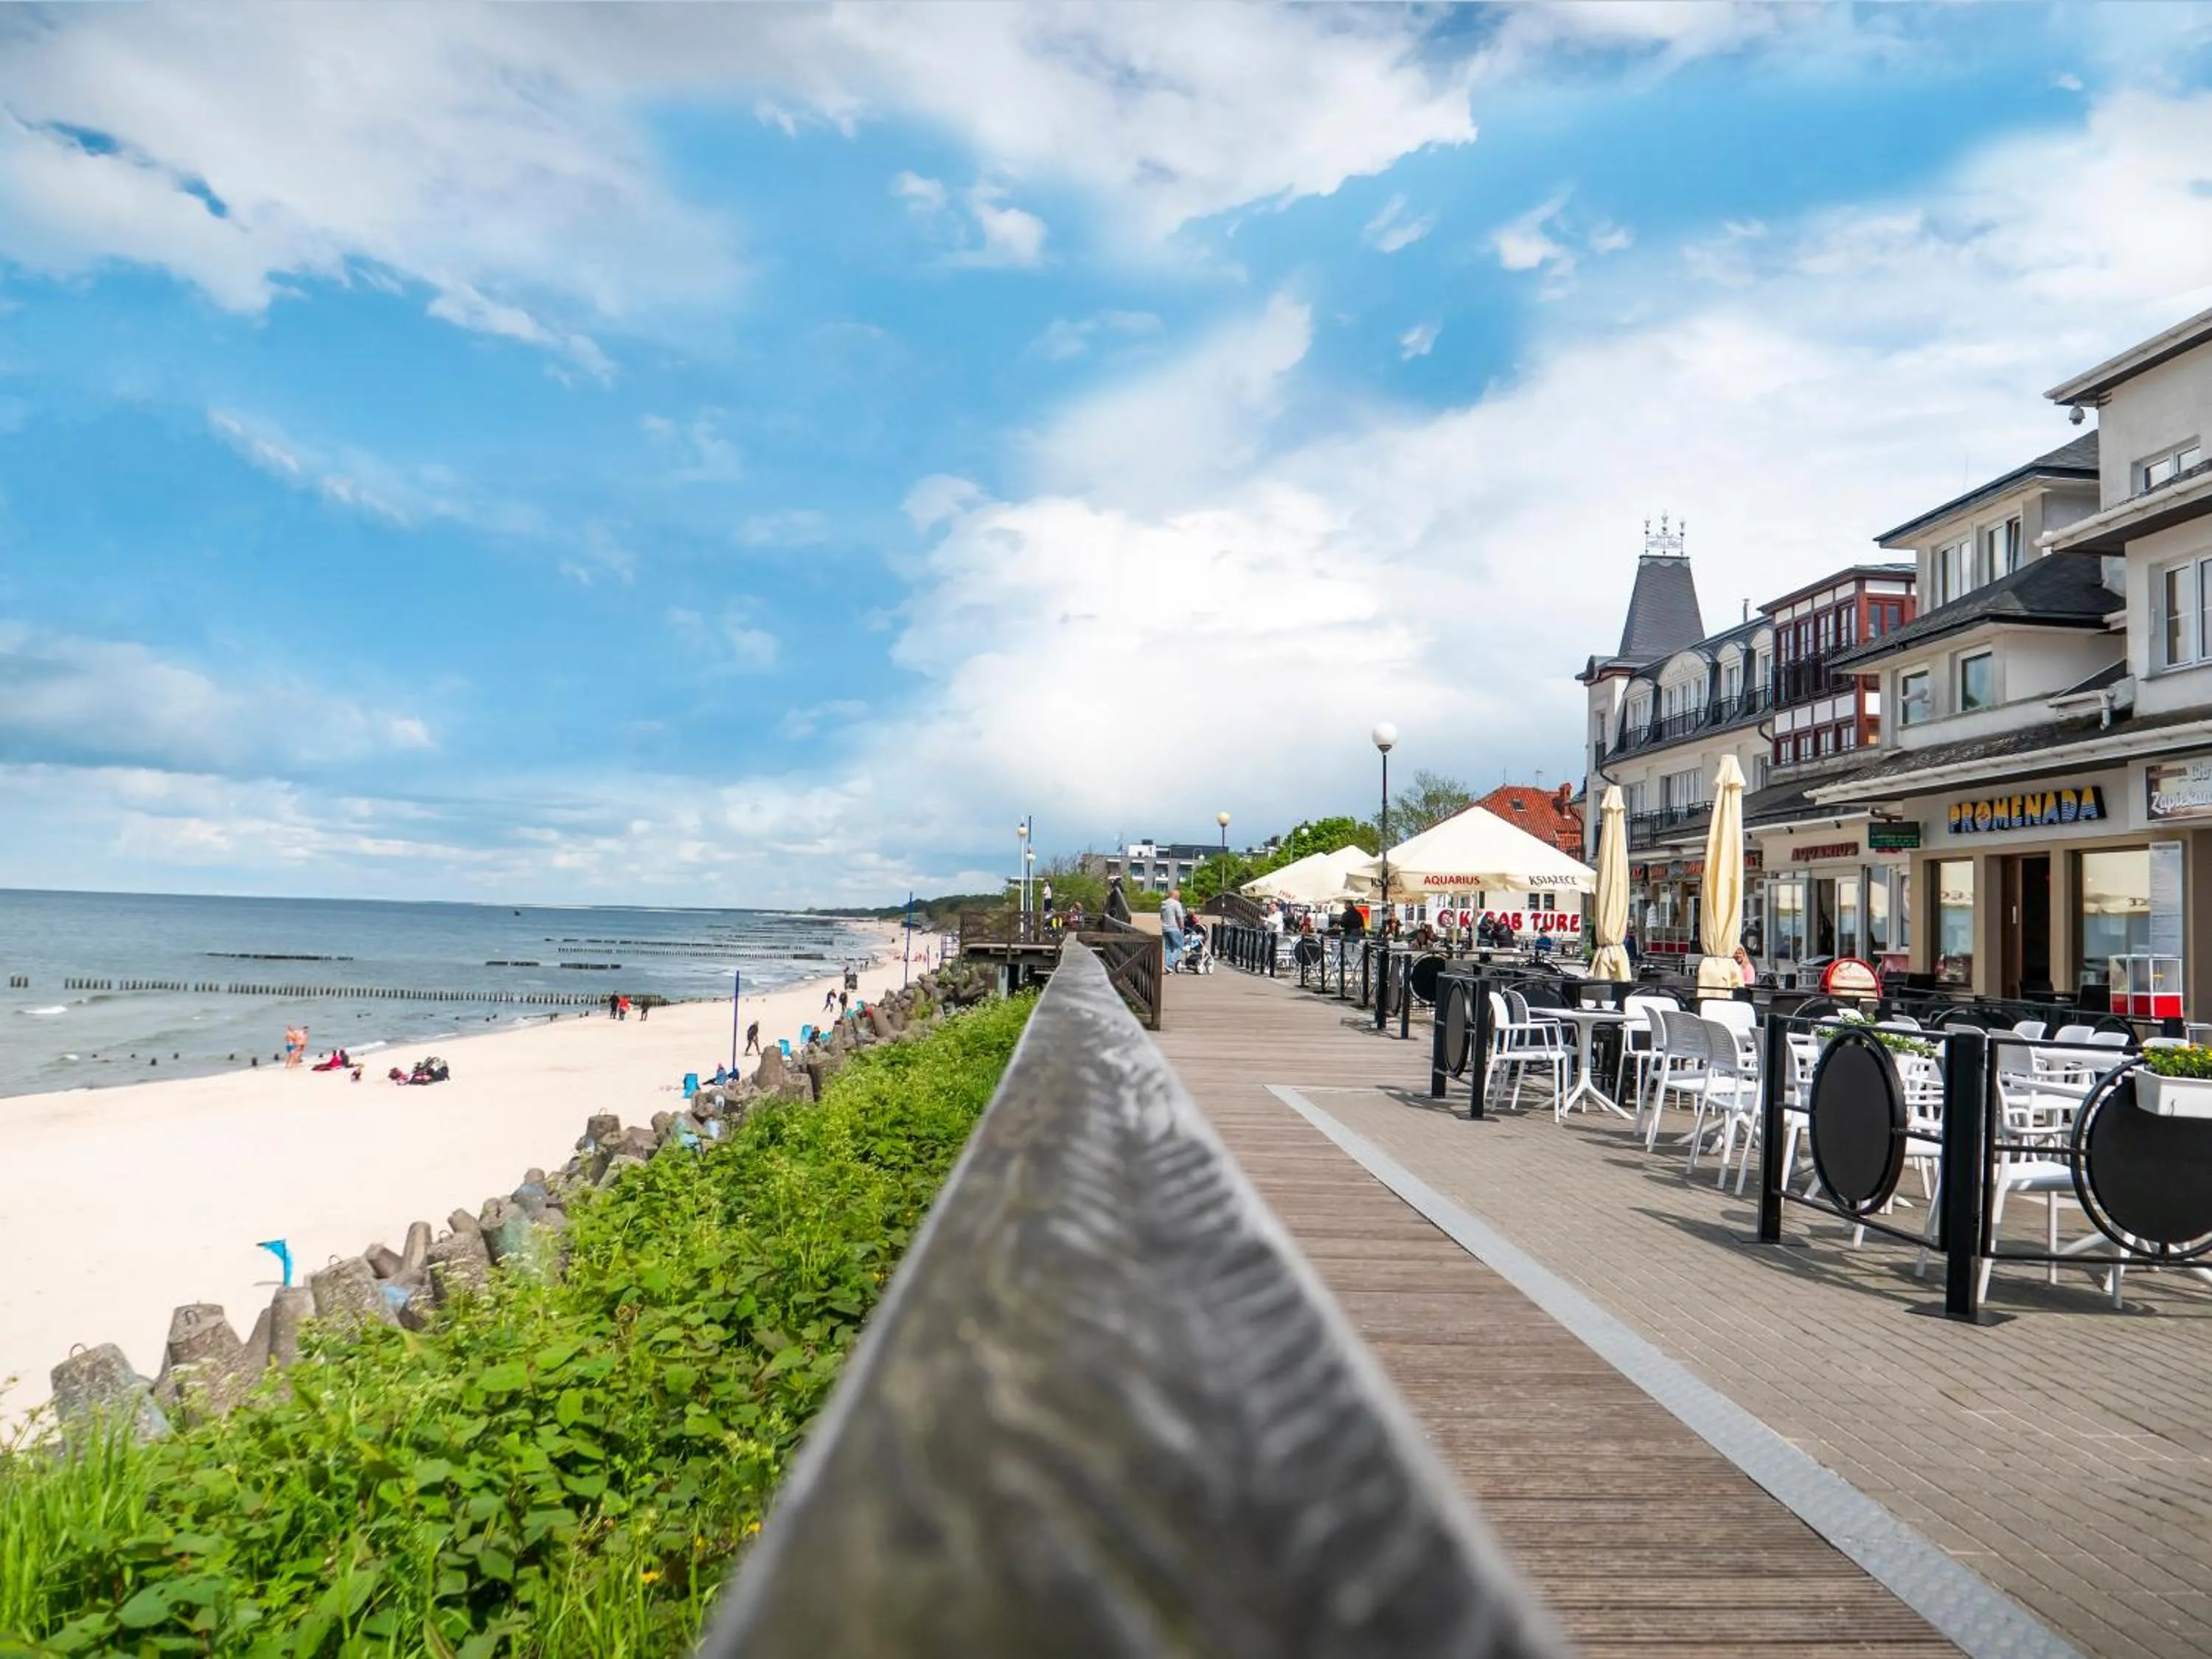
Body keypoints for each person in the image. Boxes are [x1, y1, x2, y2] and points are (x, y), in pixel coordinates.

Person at [1160, 886, 1187, 973]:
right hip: (1174, 928)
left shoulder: (1164, 904)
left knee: (1168, 948)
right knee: (1180, 946)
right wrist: (1182, 926)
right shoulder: (1176, 904)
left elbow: (1161, 917)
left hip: (1165, 928)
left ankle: (1168, 968)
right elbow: (1180, 917)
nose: (1179, 898)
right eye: (1178, 896)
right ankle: (1170, 964)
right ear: (1175, 896)